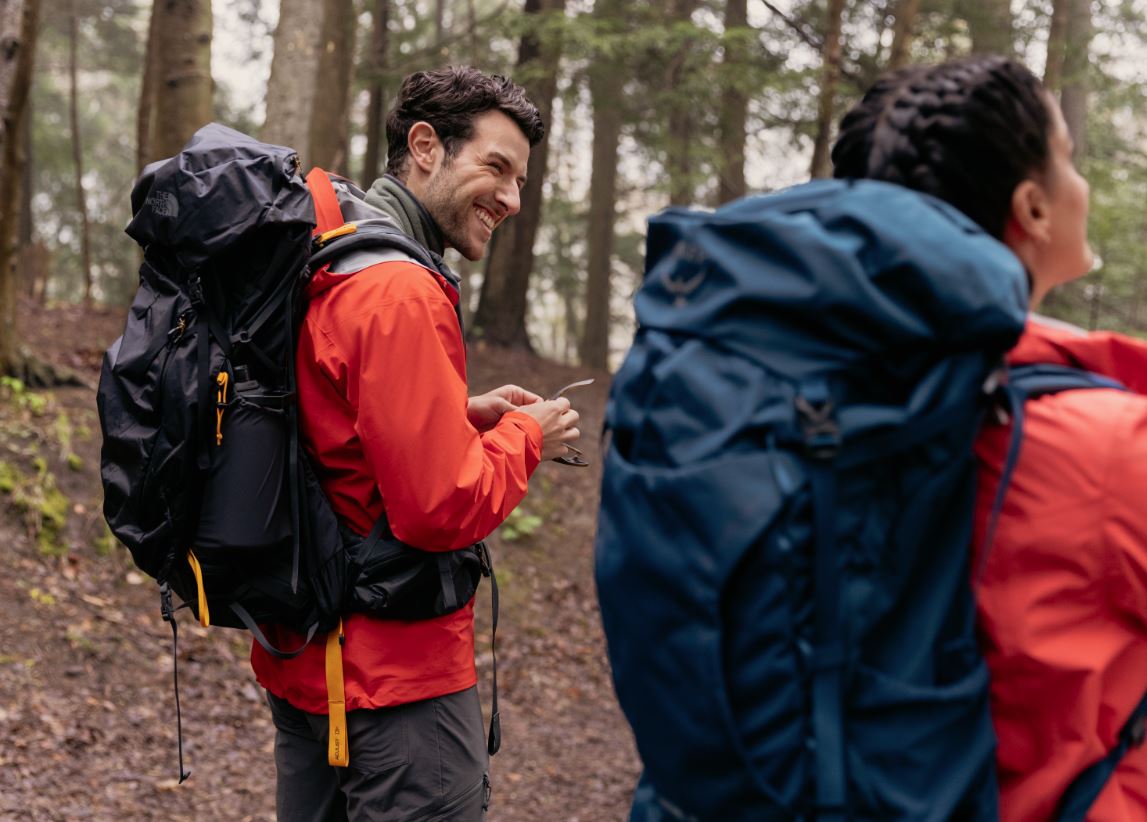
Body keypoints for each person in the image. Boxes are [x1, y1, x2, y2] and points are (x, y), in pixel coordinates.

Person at [251, 66, 581, 821]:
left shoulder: (331, 248)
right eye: (495, 167)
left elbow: (328, 421)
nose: (511, 198)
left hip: (304, 662)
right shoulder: (397, 287)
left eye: (521, 179)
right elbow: (440, 508)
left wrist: (457, 415)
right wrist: (529, 435)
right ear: (425, 146)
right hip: (396, 684)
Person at [832, 55, 1147, 820]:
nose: (1082, 184)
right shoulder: (1106, 445)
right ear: (1033, 208)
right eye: (1068, 159)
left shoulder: (811, 405)